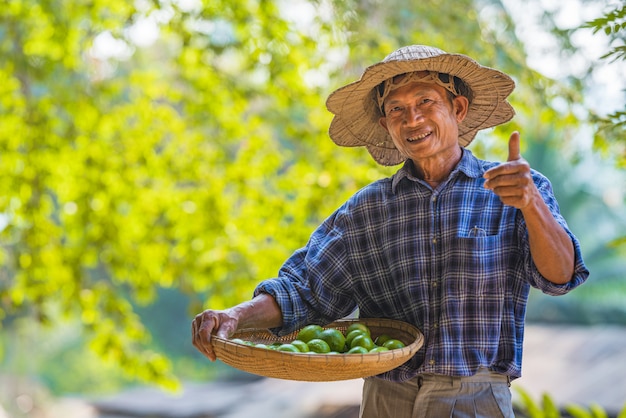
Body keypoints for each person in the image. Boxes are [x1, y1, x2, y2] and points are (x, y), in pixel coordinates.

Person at [191, 45, 589, 417]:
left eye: (425, 103)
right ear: (386, 124)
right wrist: (233, 317)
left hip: (475, 396)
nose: (411, 119)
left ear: (459, 108)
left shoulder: (516, 188)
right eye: (396, 109)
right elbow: (305, 291)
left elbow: (560, 277)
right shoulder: (366, 210)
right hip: (386, 399)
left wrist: (531, 204)